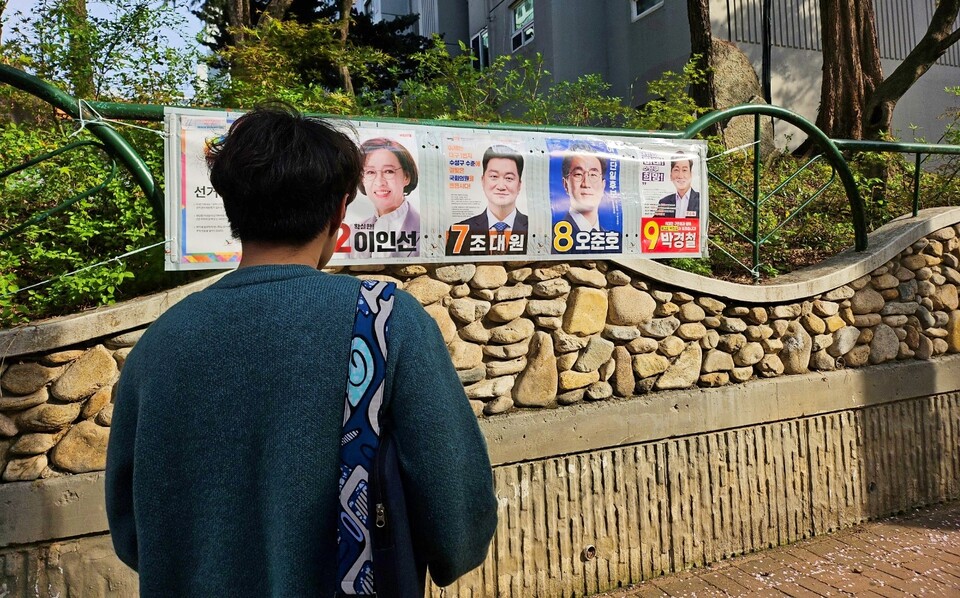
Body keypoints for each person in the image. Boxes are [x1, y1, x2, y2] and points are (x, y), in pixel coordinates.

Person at [105, 104, 498, 597]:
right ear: (339, 212)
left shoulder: (158, 344)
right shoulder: (386, 322)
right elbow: (457, 516)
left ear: (231, 210)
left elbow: (131, 533)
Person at [445, 145, 528, 256]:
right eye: (494, 176)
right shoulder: (460, 231)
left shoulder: (535, 229)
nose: (501, 186)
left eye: (509, 178)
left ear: (519, 185)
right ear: (483, 181)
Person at [350, 137, 421, 258]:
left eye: (389, 171)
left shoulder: (425, 230)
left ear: (406, 177)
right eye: (370, 172)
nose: (379, 182)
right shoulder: (353, 231)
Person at [552, 143, 621, 254]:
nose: (586, 183)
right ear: (565, 184)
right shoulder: (552, 237)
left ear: (603, 185)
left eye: (593, 175)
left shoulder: (616, 241)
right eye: (578, 174)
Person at [654, 153, 700, 218]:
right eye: (676, 170)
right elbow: (654, 225)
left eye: (684, 170)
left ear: (691, 174)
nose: (680, 176)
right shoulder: (664, 202)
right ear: (671, 175)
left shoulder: (700, 199)